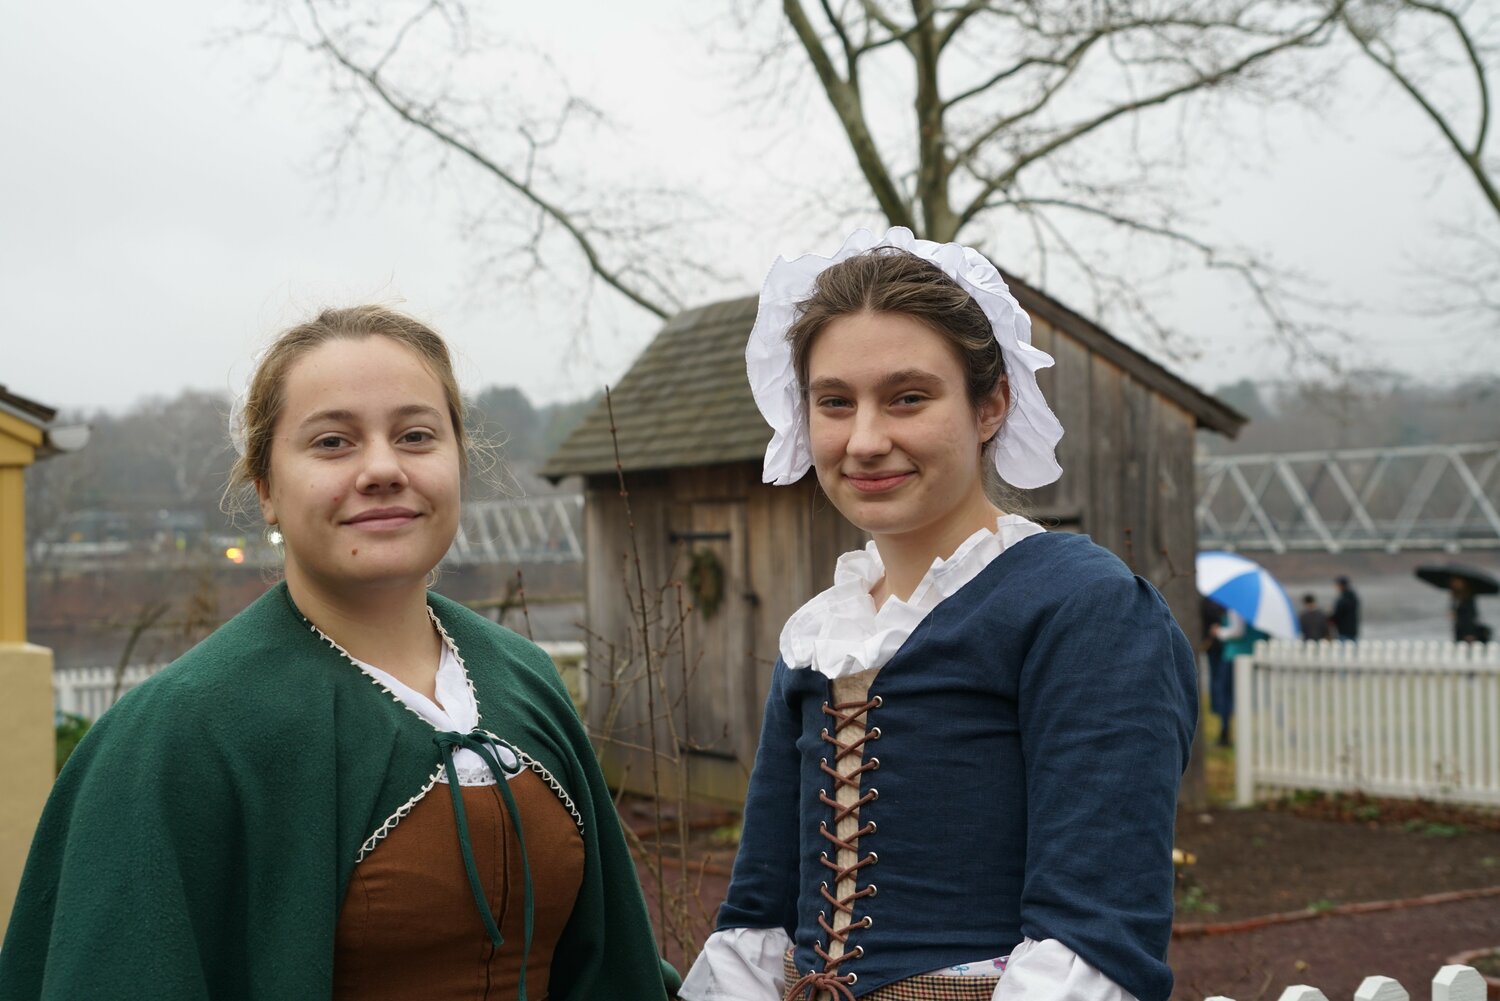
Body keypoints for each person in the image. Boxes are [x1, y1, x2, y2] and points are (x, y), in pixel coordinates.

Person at [0, 306, 677, 1001]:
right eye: (332, 442)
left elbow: (612, 967)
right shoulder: (177, 734)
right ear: (265, 486)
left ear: (457, 461)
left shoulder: (523, 680)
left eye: (416, 435)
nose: (382, 468)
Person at [679, 229, 1196, 1001]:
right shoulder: (821, 633)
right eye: (834, 402)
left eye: (908, 397)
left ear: (991, 404)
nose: (864, 440)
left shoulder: (1083, 608)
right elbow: (757, 912)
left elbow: (1096, 932)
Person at [1331, 575, 1360, 640]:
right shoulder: (1353, 597)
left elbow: (1338, 614)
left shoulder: (1343, 599)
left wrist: (1330, 618)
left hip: (1344, 631)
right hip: (1353, 630)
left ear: (1341, 585)